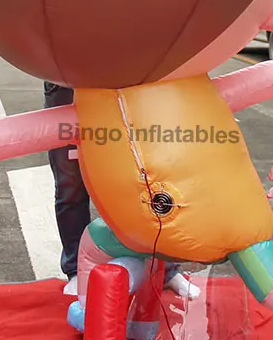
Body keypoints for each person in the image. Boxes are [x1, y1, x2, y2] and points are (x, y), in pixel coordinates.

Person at [44, 81, 198, 298]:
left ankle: (165, 270)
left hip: (125, 77)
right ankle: (76, 269)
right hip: (66, 81)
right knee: (71, 184)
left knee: (142, 176)